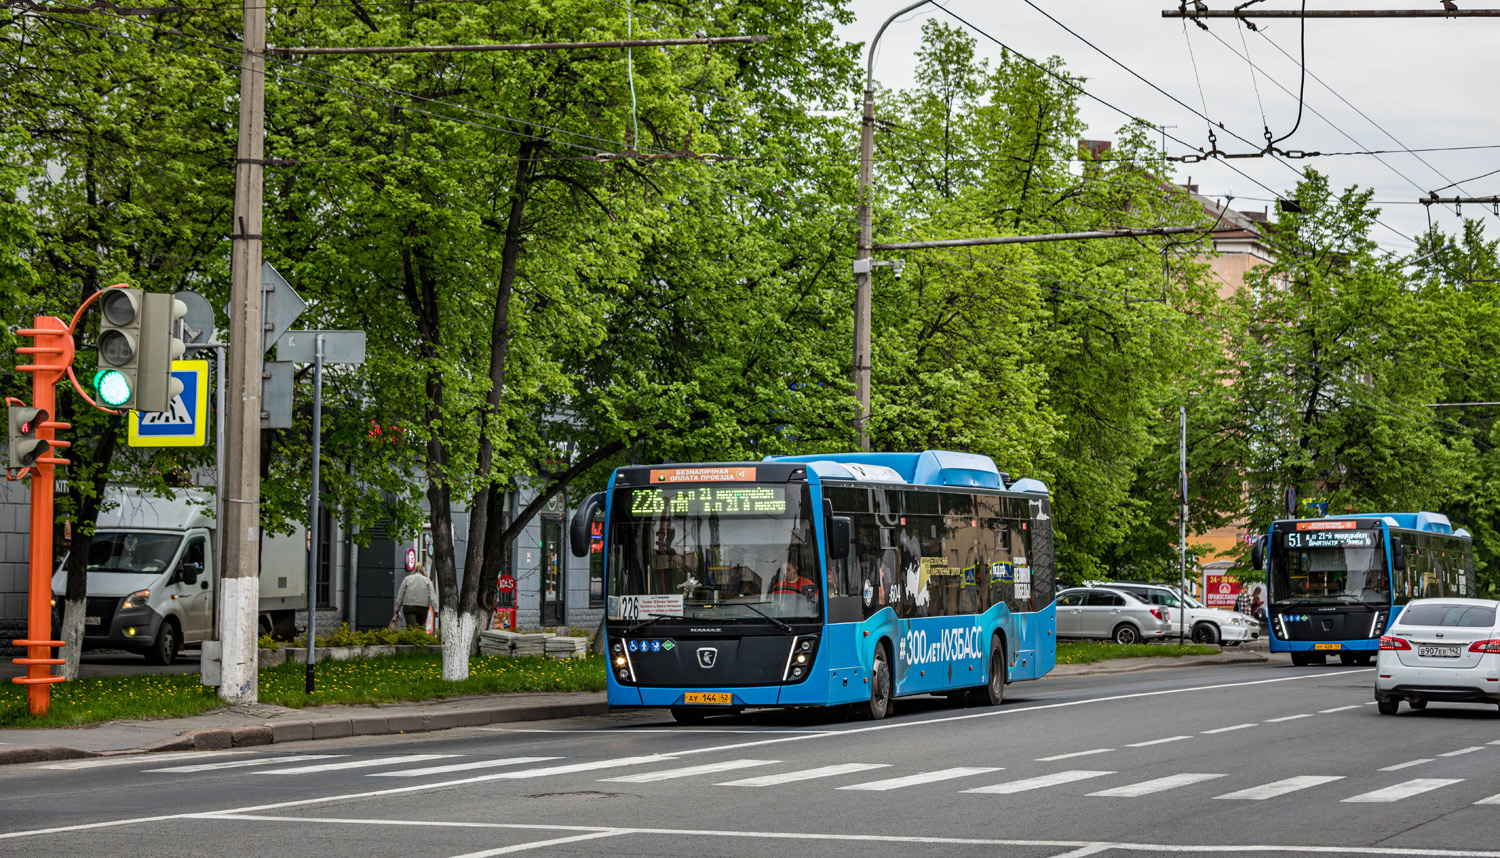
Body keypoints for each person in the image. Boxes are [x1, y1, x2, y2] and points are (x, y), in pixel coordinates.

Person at [394, 564, 437, 630]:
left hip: (408, 606)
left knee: (411, 628)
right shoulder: (427, 581)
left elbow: (400, 594)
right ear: (423, 572)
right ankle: (420, 639)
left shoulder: (407, 579)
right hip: (423, 607)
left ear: (414, 571)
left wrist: (397, 608)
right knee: (421, 628)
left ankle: (411, 639)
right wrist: (435, 610)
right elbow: (432, 596)